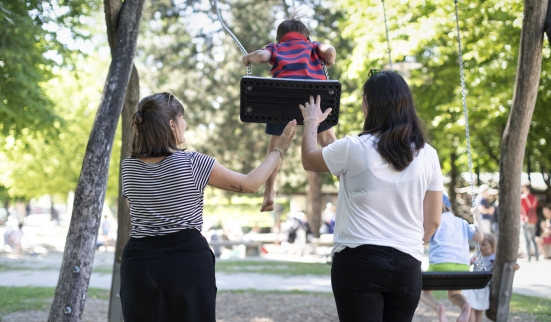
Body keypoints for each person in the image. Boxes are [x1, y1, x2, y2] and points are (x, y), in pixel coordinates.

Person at [119, 92, 296, 321]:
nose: (185, 124)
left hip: (139, 262)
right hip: (186, 261)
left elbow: (135, 206)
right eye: (182, 118)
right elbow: (251, 184)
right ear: (172, 125)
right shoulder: (193, 163)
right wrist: (278, 150)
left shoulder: (128, 168)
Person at [297, 70, 443, 321]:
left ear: (369, 105)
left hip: (358, 260)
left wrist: (311, 122)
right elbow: (432, 222)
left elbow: (310, 160)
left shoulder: (355, 147)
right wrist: (408, 243)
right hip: (407, 264)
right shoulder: (428, 154)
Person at [242, 13, 337, 212]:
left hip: (282, 99)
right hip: (314, 98)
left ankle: (269, 192)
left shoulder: (275, 47)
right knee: (328, 139)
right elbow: (330, 51)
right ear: (306, 36)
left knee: (275, 148)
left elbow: (261, 57)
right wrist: (328, 61)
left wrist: (248, 58)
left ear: (279, 38)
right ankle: (346, 178)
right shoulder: (312, 46)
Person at [420, 196, 484, 322]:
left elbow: (423, 239)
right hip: (462, 268)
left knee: (423, 292)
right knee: (454, 294)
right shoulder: (462, 222)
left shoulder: (434, 221)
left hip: (439, 266)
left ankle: (438, 307)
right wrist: (477, 216)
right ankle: (465, 306)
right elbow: (480, 237)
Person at [463, 234, 520, 322]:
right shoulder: (476, 256)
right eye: (479, 244)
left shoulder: (494, 258)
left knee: (479, 310)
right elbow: (466, 265)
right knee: (471, 308)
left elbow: (502, 268)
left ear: (492, 246)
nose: (480, 247)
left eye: (484, 244)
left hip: (483, 287)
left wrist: (513, 267)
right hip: (473, 286)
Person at [520, 184, 539, 261]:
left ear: (524, 188)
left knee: (526, 239)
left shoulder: (522, 198)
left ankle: (529, 257)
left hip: (525, 220)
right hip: (533, 220)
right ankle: (537, 256)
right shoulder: (534, 198)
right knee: (533, 238)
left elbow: (521, 209)